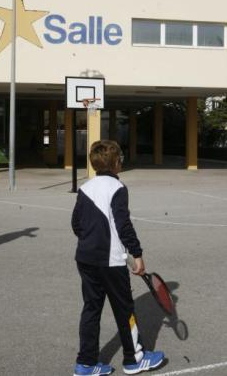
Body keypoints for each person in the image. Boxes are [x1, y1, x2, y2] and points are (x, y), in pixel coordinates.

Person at [71, 140, 165, 376]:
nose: (122, 161)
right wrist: (137, 254)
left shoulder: (85, 188)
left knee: (91, 309)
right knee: (125, 310)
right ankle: (135, 359)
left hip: (85, 258)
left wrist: (91, 242)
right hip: (110, 261)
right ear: (115, 163)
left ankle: (85, 364)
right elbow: (124, 225)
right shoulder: (118, 188)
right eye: (120, 158)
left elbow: (76, 224)